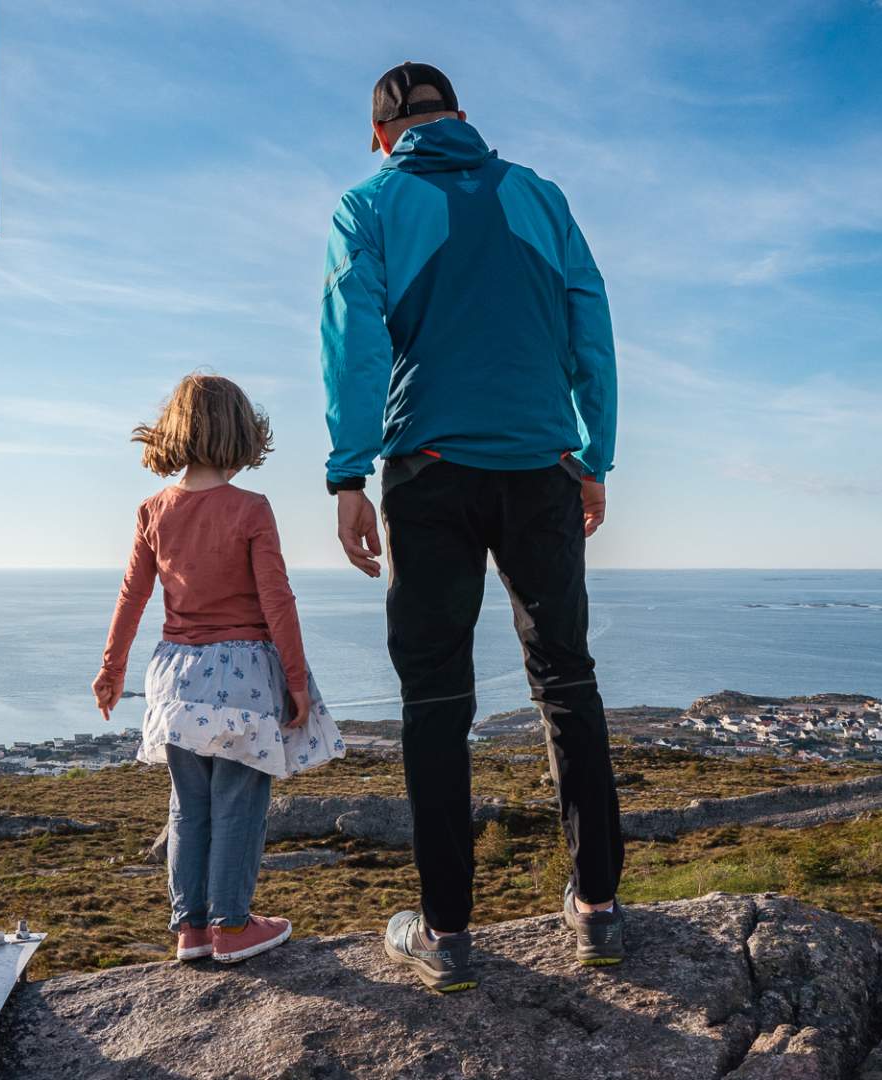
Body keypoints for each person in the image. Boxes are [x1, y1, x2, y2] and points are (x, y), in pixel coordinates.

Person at [319, 62, 625, 992]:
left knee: (435, 702)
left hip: (432, 473)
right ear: (461, 117)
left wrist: (348, 474)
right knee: (566, 678)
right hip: (541, 469)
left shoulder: (368, 205)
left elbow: (355, 340)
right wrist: (595, 453)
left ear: (382, 134)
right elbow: (590, 321)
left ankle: (447, 936)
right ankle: (599, 913)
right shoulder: (538, 193)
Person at [93, 373, 347, 965]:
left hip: (175, 678)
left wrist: (111, 669)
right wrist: (297, 679)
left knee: (188, 803)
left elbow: (132, 595)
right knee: (240, 799)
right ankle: (233, 925)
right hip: (243, 675)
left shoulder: (154, 510)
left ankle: (191, 930)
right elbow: (276, 600)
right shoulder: (251, 509)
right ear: (241, 436)